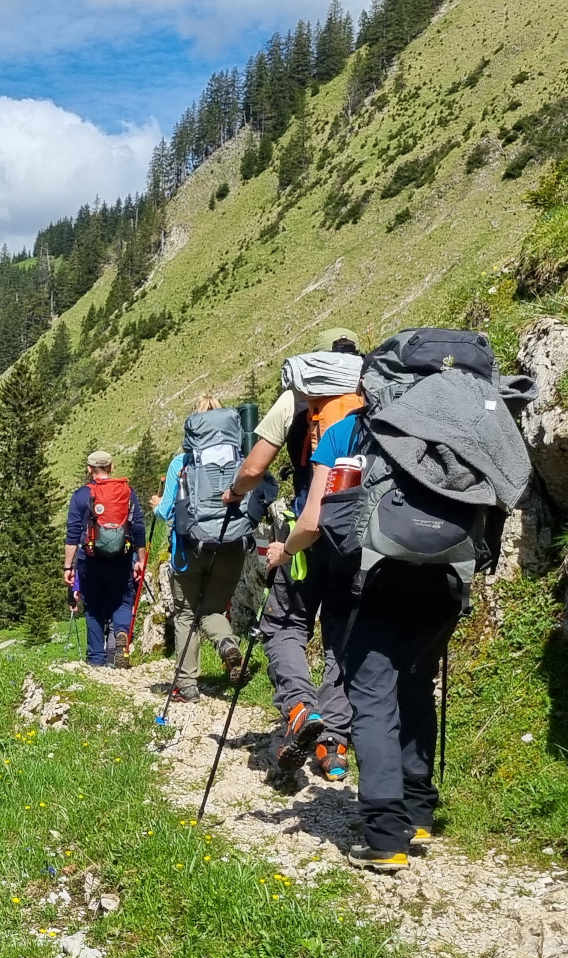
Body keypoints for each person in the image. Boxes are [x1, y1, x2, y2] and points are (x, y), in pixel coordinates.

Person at [262, 371, 441, 874]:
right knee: (403, 679)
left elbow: (317, 518)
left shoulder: (347, 427)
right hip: (438, 567)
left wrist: (285, 548)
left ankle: (305, 715)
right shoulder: (443, 427)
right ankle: (410, 803)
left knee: (325, 652)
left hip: (354, 558)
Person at [225, 328, 362, 779]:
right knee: (343, 638)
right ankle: (334, 749)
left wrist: (234, 493)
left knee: (284, 626)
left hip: (306, 531)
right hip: (359, 536)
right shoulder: (370, 394)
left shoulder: (299, 396)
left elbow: (255, 467)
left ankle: (301, 708)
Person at [152, 394, 252, 702]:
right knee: (213, 608)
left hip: (191, 549)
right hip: (232, 544)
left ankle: (187, 685)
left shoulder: (181, 462)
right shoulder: (243, 458)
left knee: (186, 613)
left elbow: (168, 511)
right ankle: (228, 647)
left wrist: (157, 505)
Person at [62, 450, 146, 667]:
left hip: (90, 560)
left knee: (94, 607)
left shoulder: (81, 495)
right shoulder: (127, 492)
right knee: (123, 601)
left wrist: (68, 567)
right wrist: (141, 559)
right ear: (111, 467)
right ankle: (120, 636)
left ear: (90, 470)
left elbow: (72, 534)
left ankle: (96, 660)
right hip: (122, 558)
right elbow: (138, 527)